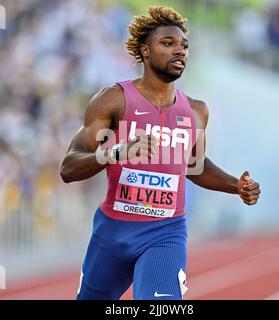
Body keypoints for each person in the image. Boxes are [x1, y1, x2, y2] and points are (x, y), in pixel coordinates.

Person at [60, 6, 261, 300]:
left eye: (184, 46)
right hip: (113, 232)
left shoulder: (196, 111)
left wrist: (236, 186)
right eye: (168, 43)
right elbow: (68, 167)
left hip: (166, 232)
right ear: (144, 50)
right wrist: (115, 153)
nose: (179, 51)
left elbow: (195, 166)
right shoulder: (113, 100)